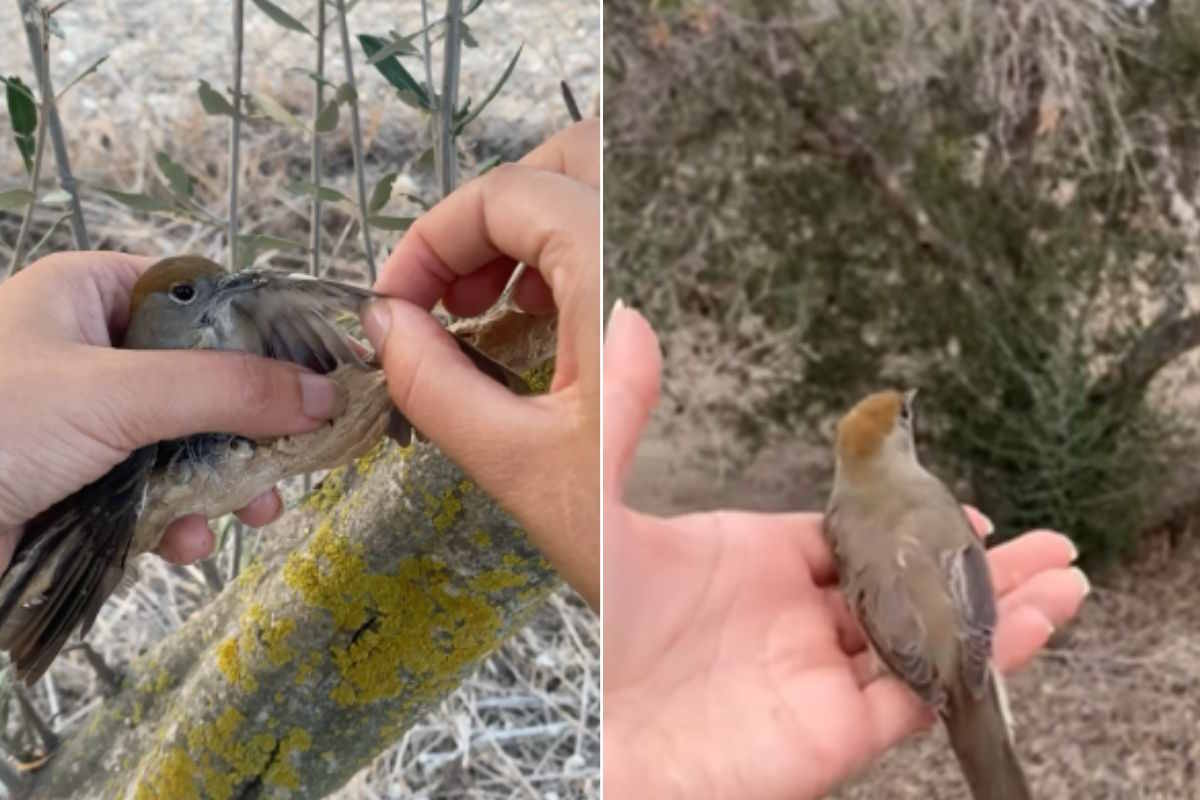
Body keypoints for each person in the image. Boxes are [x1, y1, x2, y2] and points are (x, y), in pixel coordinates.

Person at [0, 119, 599, 608]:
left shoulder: (229, 315)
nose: (219, 295)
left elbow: (282, 306)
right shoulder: (117, 388)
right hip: (112, 490)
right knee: (117, 516)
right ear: (152, 315)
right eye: (188, 296)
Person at [602, 303, 1089, 798]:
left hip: (910, 644)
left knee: (965, 706)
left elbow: (870, 599)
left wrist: (924, 669)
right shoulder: (931, 497)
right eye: (906, 416)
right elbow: (967, 568)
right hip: (955, 632)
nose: (910, 415)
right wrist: (963, 653)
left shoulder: (842, 519)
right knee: (975, 714)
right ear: (898, 444)